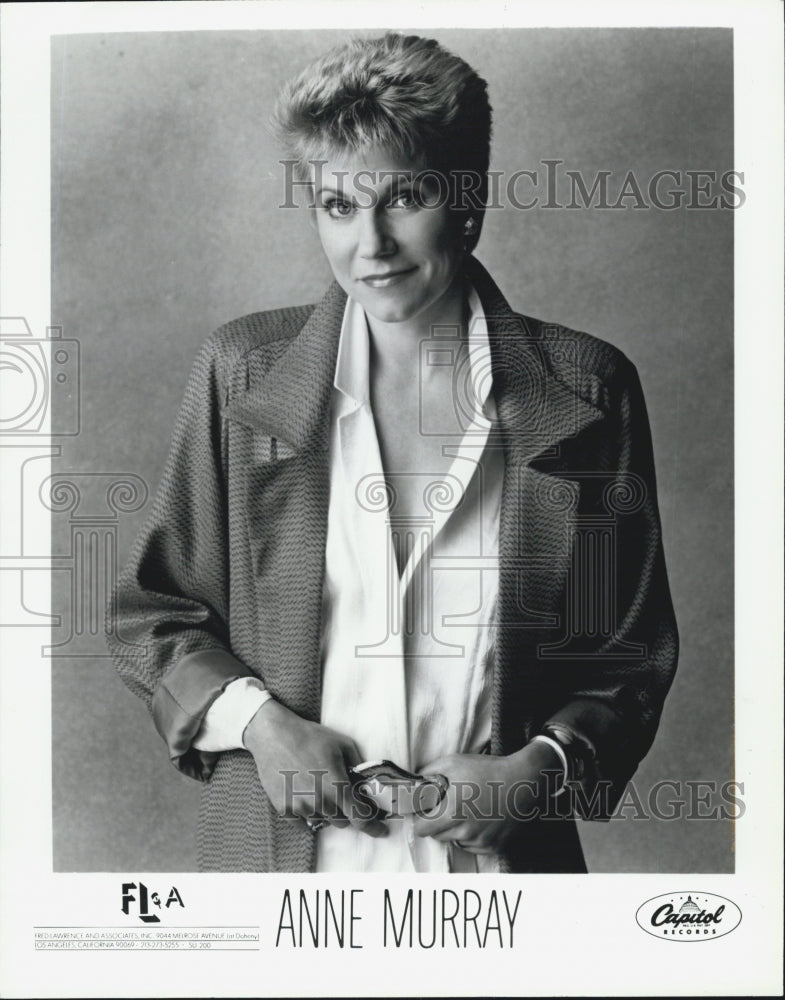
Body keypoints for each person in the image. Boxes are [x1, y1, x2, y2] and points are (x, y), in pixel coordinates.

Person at [107, 32, 678, 873]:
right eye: (338, 205)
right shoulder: (243, 373)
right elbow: (154, 613)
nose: (369, 244)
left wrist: (537, 770)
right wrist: (262, 726)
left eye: (403, 197)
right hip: (279, 875)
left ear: (469, 199)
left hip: (501, 882)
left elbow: (625, 656)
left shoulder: (587, 392)